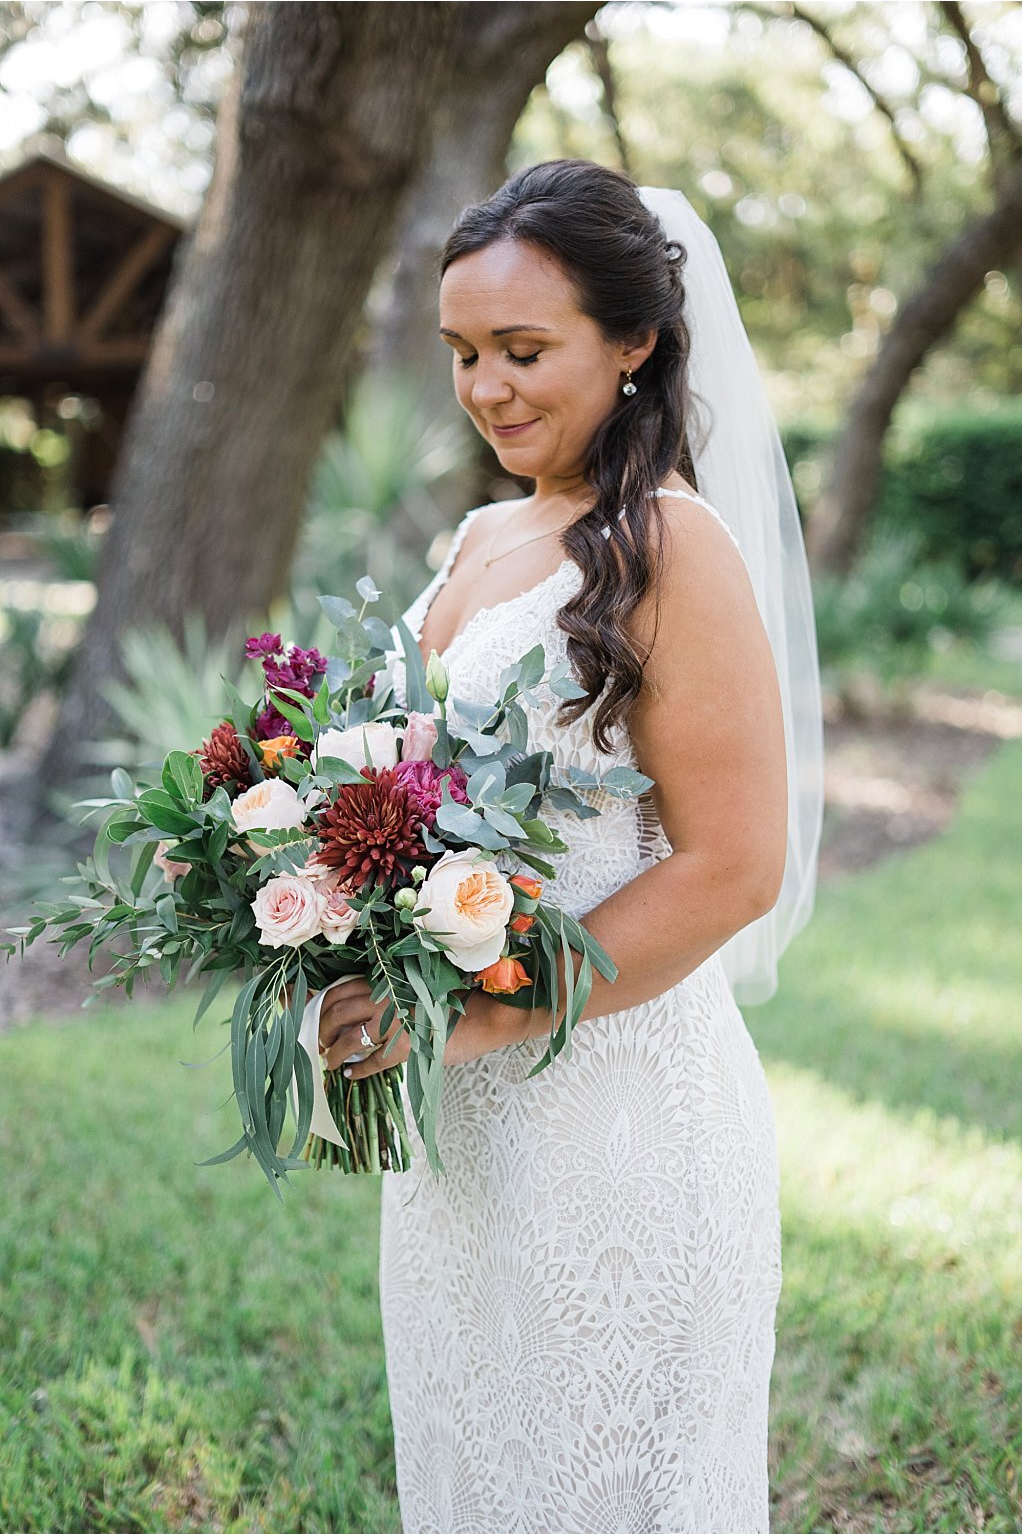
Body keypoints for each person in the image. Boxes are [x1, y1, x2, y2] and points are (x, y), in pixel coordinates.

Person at [313, 159, 824, 1533]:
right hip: (464, 1138)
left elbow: (732, 865)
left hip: (617, 1124)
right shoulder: (480, 535)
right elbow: (394, 791)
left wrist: (477, 1023)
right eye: (465, 353)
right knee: (477, 1464)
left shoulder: (671, 545)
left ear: (636, 343)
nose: (485, 387)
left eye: (524, 350)